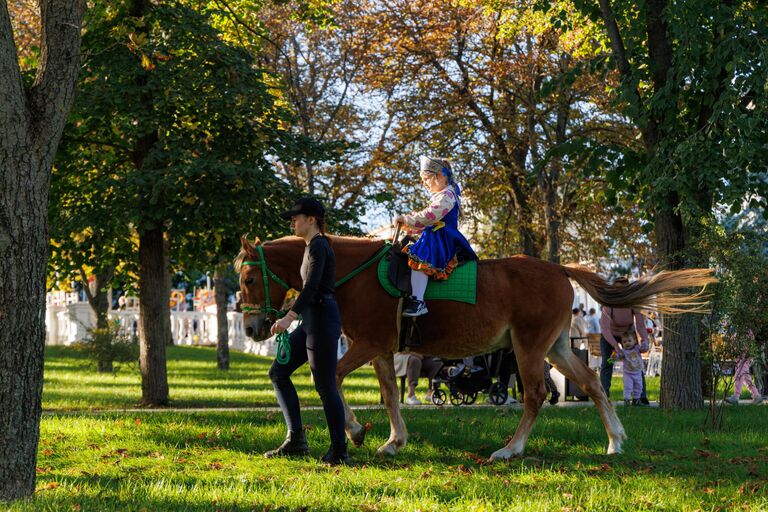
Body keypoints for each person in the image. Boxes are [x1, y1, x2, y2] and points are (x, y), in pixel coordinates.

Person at [264, 197, 349, 465]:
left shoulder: (319, 245)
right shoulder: (310, 246)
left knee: (325, 387)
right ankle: (296, 441)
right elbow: (309, 290)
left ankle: (339, 451)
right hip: (312, 320)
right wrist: (291, 308)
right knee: (278, 372)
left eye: (296, 218)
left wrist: (290, 316)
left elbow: (312, 288)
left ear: (311, 219)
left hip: (322, 322)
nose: (292, 222)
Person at [395, 156, 477, 317]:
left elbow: (430, 216)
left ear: (440, 176)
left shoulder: (447, 196)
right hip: (436, 234)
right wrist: (409, 227)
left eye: (426, 178)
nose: (424, 183)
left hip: (442, 238)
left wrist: (408, 219)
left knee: (419, 257)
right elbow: (427, 221)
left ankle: (418, 301)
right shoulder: (444, 195)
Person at [599, 278, 650, 405]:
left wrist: (645, 341)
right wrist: (616, 347)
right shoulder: (609, 304)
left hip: (628, 334)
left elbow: (640, 325)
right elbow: (604, 327)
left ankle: (641, 396)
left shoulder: (633, 302)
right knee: (607, 362)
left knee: (636, 360)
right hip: (610, 335)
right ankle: (604, 396)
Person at [725, 332, 764, 406]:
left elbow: (747, 345)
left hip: (745, 358)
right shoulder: (738, 330)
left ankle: (736, 396)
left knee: (739, 375)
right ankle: (756, 395)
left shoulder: (746, 330)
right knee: (746, 378)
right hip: (740, 358)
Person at [616, 334, 644, 405]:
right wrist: (614, 356)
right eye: (624, 342)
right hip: (628, 373)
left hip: (638, 372)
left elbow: (644, 348)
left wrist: (644, 343)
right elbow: (615, 357)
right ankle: (627, 400)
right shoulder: (623, 351)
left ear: (634, 341)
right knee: (628, 386)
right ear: (622, 343)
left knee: (639, 386)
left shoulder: (637, 348)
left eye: (629, 341)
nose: (627, 343)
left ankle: (636, 399)